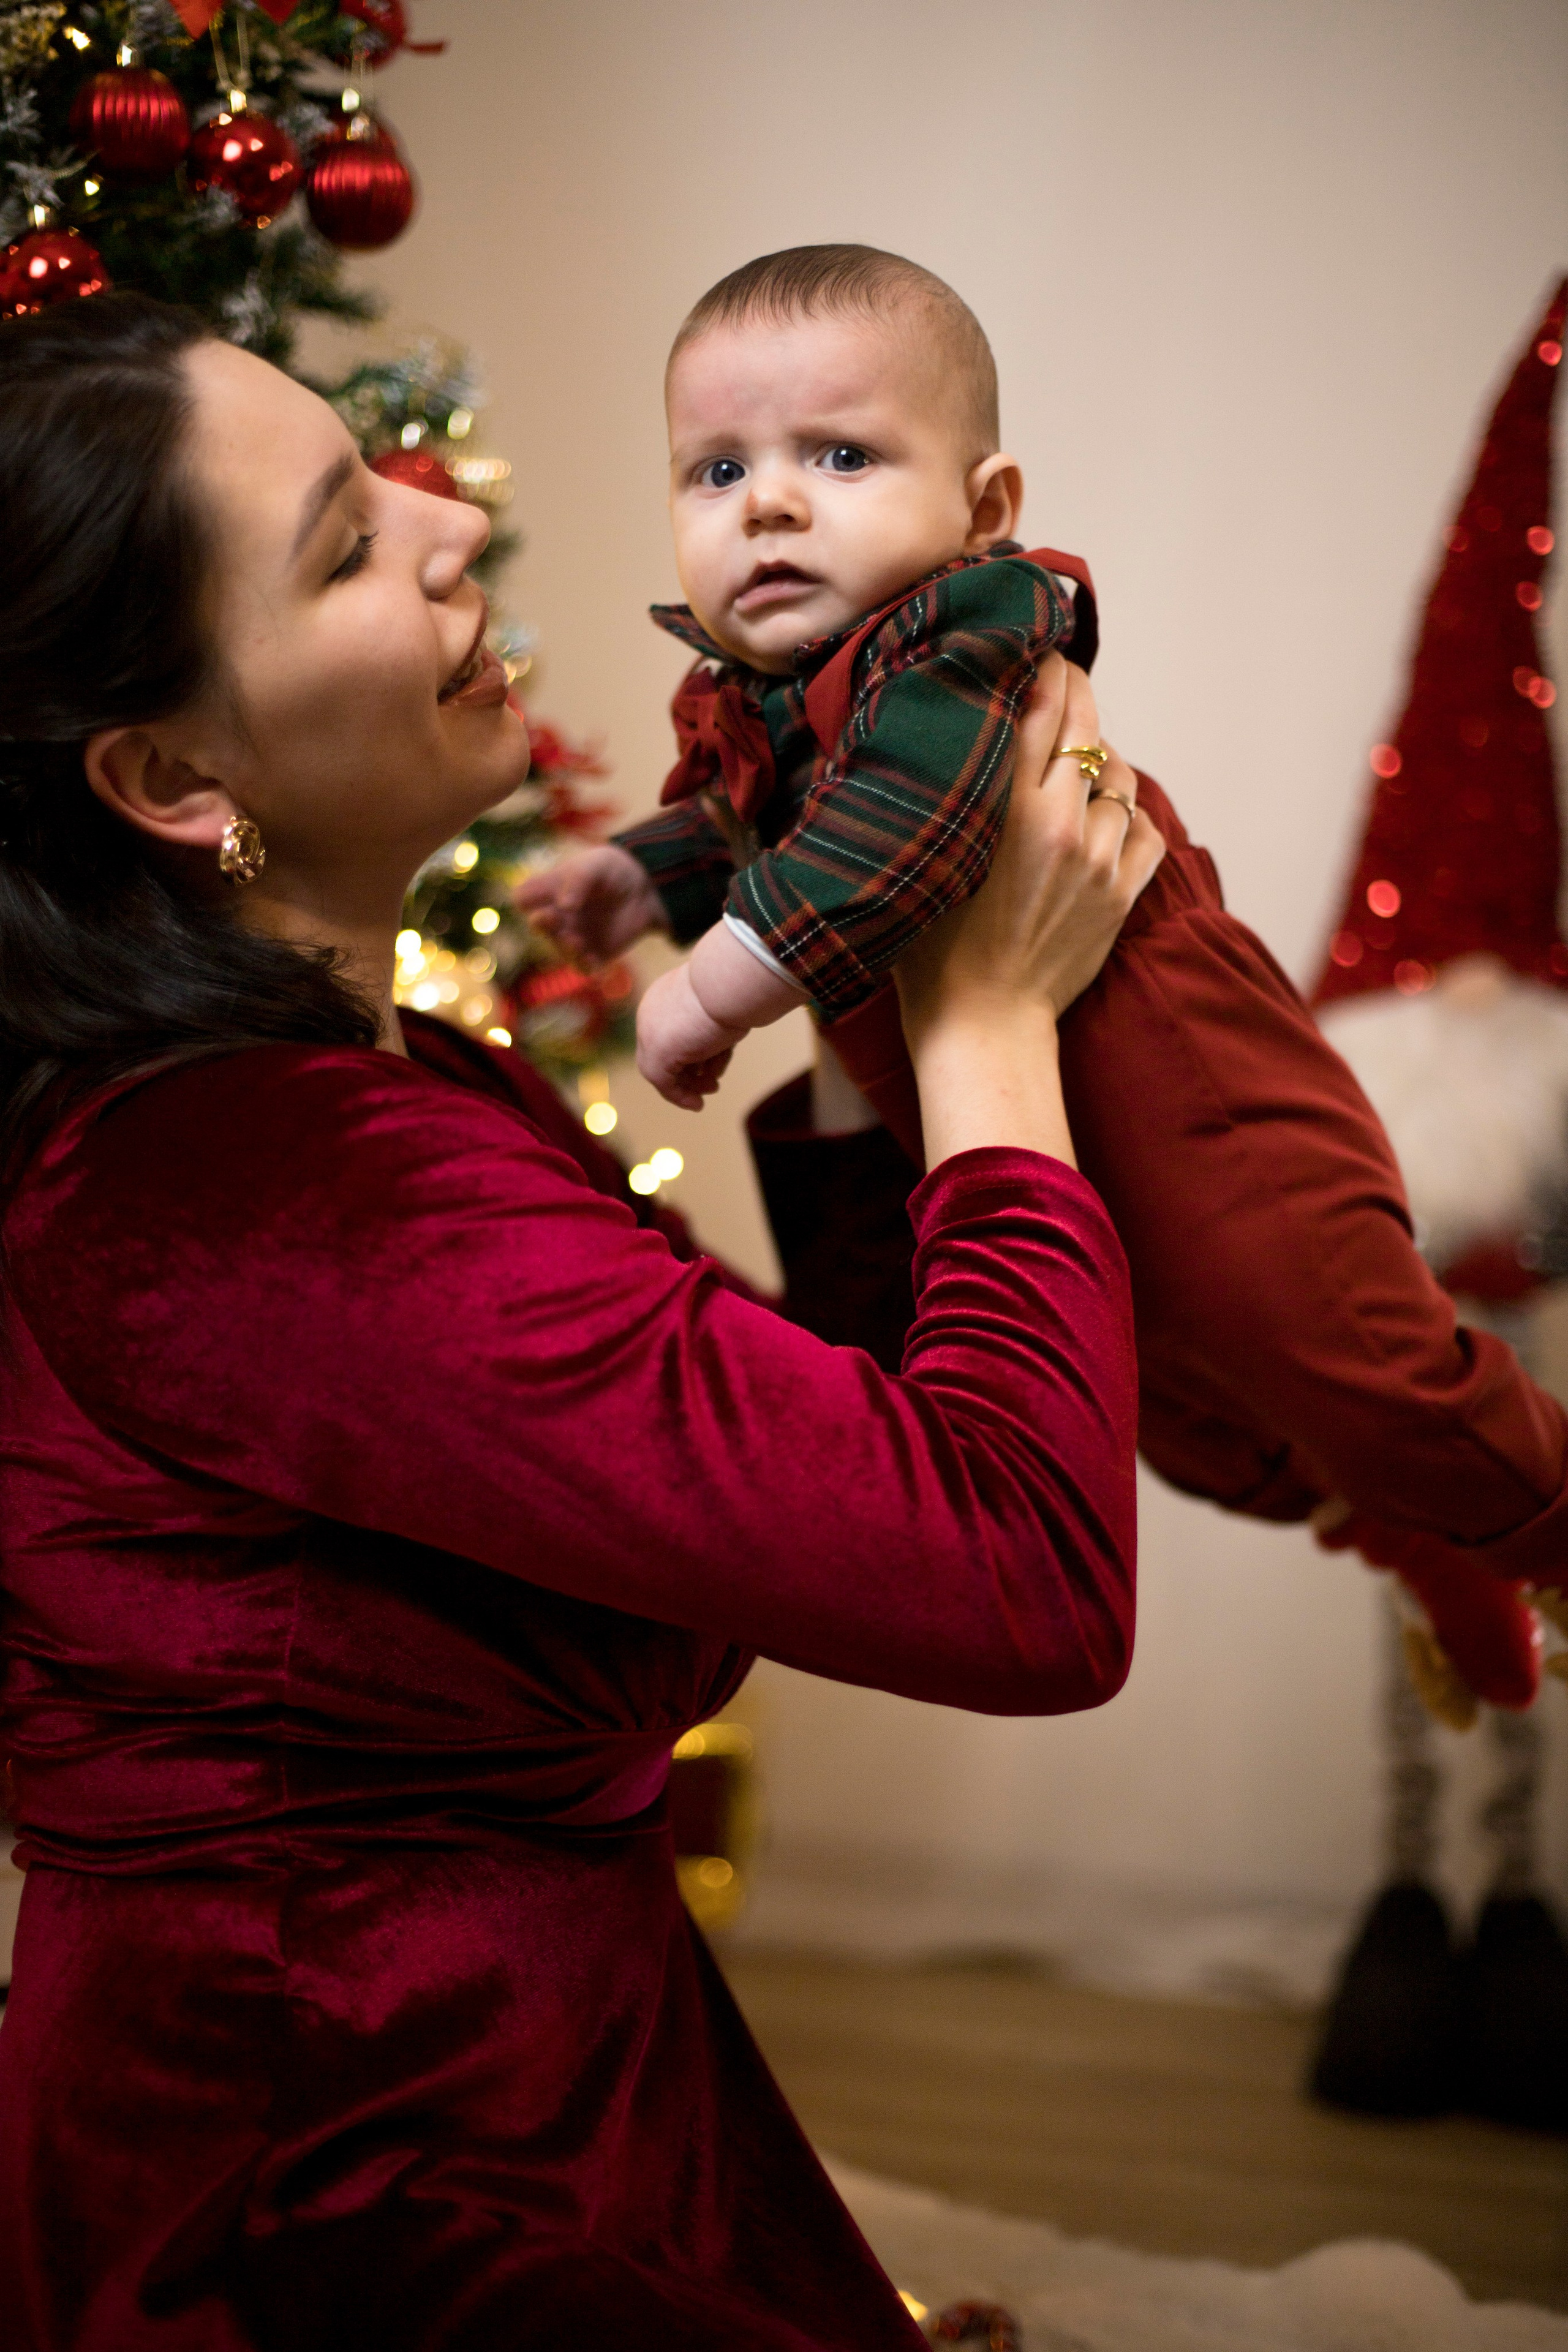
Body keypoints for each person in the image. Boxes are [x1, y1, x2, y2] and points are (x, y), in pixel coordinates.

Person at [0, 293, 1162, 2352]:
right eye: (349, 544)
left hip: (541, 2073)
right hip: (343, 2176)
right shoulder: (269, 1202)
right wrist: (992, 1027)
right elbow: (1024, 1581)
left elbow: (829, 1454)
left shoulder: (414, 1094)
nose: (453, 520)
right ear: (174, 772)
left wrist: (860, 969)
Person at [523, 241, 1565, 1713]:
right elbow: (748, 815)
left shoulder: (960, 637)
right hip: (1043, 1114)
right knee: (1180, 1421)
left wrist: (710, 987)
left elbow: (888, 830)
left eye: (837, 452)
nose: (765, 500)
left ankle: (1543, 1522)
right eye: (714, 470)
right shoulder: (761, 688)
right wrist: (638, 874)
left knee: (1342, 1358)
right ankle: (1403, 1535)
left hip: (1209, 1105)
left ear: (983, 509)